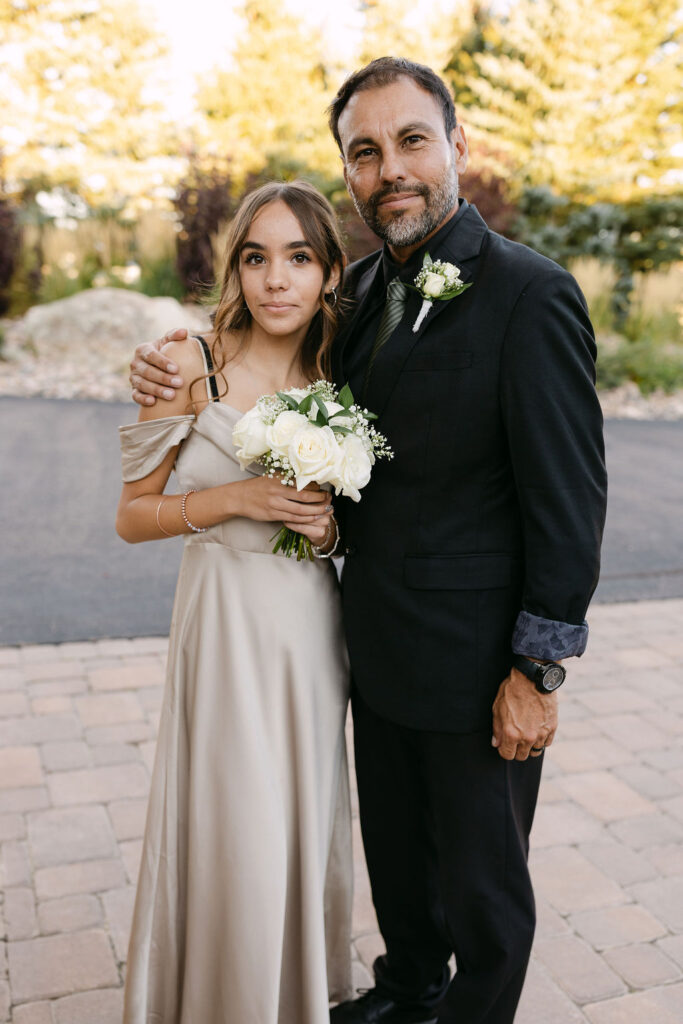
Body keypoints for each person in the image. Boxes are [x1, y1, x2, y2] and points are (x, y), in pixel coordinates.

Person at [129, 58, 608, 1024]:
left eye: (410, 141)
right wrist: (172, 360)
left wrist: (538, 670)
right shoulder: (353, 301)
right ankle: (405, 992)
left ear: (457, 144)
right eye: (364, 151)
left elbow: (569, 498)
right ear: (347, 170)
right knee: (397, 862)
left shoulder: (530, 293)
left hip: (476, 662)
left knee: (480, 886)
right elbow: (268, 355)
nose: (389, 167)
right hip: (367, 647)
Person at [116, 180, 354, 1024]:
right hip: (219, 625)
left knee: (294, 817)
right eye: (256, 257)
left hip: (307, 632)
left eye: (297, 257)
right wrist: (235, 500)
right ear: (237, 269)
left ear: (329, 272)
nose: (274, 279)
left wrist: (322, 532)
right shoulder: (188, 362)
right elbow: (132, 517)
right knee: (231, 823)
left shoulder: (345, 373)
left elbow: (347, 534)